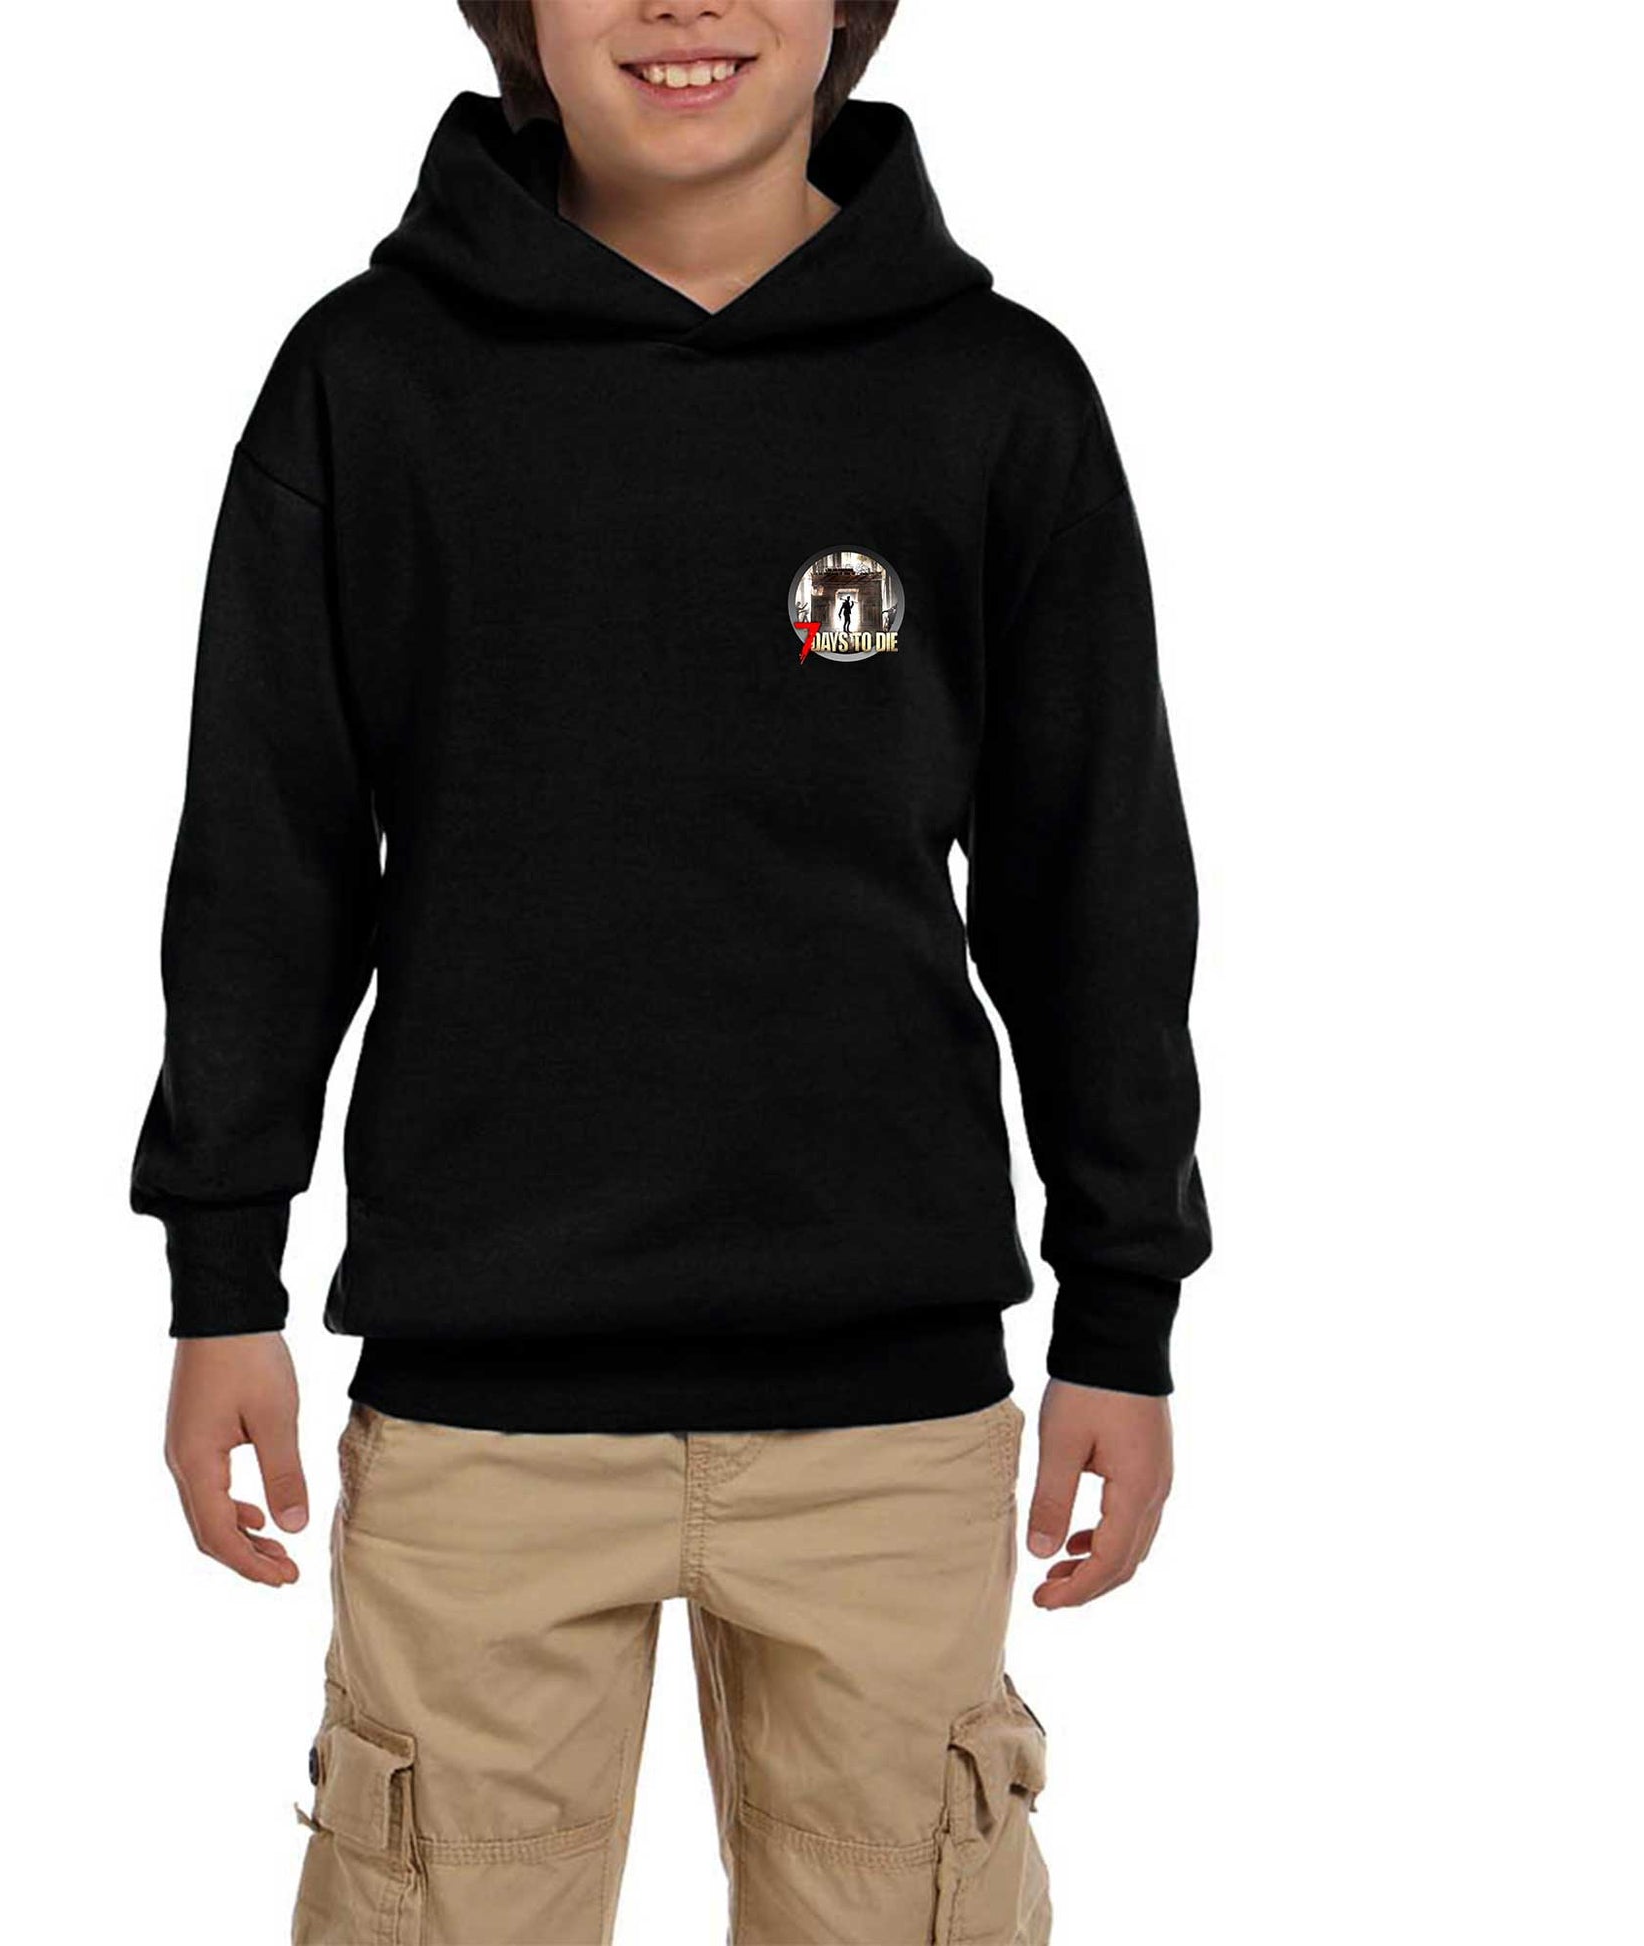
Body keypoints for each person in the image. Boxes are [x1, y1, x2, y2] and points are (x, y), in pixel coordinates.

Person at [130, 3, 1210, 1940]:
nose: (683, 4)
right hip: (479, 1401)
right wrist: (223, 1277)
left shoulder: (994, 395)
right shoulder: (368, 382)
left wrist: (1121, 1311)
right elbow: (265, 865)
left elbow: (1094, 885)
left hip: (889, 1413)